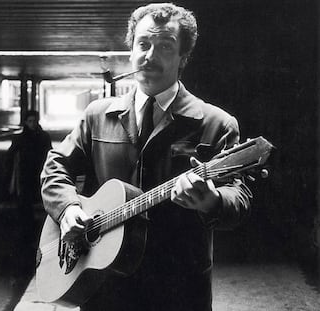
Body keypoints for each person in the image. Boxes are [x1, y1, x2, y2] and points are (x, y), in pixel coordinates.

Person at [41, 3, 252, 311]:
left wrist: (211, 201)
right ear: (131, 51)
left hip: (179, 290)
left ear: (184, 58)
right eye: (143, 44)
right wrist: (68, 209)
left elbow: (239, 198)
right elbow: (55, 166)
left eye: (165, 47)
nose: (150, 56)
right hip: (104, 287)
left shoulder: (216, 124)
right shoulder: (98, 115)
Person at [6, 110, 52, 275]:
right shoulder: (20, 138)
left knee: (40, 203)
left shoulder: (44, 137)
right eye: (29, 121)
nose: (32, 123)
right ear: (25, 122)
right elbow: (10, 156)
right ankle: (27, 230)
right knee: (25, 206)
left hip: (38, 174)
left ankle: (37, 231)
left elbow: (49, 154)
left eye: (34, 120)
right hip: (25, 176)